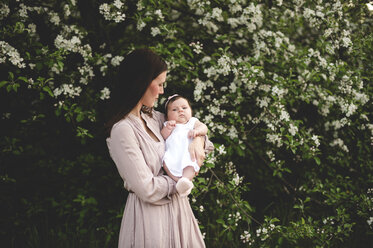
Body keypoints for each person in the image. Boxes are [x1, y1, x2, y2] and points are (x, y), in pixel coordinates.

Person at [105, 48, 213, 248]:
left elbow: (198, 138)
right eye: (160, 84)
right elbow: (146, 188)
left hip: (180, 211)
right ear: (142, 83)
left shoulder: (156, 118)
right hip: (150, 219)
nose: (163, 92)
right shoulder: (123, 130)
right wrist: (180, 181)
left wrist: (197, 139)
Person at [161, 94, 208, 197]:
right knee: (165, 160)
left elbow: (204, 128)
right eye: (174, 109)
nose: (180, 111)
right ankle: (179, 181)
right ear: (167, 115)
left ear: (190, 110)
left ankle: (186, 180)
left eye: (184, 108)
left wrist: (197, 131)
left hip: (187, 151)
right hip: (173, 152)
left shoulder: (192, 122)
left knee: (190, 161)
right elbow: (163, 136)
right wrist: (168, 128)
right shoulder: (169, 124)